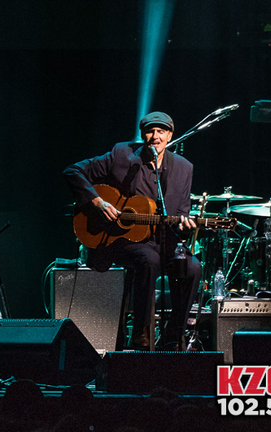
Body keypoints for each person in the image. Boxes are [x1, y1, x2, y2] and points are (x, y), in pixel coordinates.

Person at [63, 111, 201, 350]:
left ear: (170, 136)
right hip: (124, 240)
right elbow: (73, 171)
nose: (155, 136)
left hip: (165, 241)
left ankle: (173, 335)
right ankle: (140, 335)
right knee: (149, 260)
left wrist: (185, 226)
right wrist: (97, 202)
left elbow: (182, 212)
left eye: (161, 131)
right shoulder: (121, 155)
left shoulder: (183, 168)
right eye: (150, 131)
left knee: (193, 267)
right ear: (142, 134)